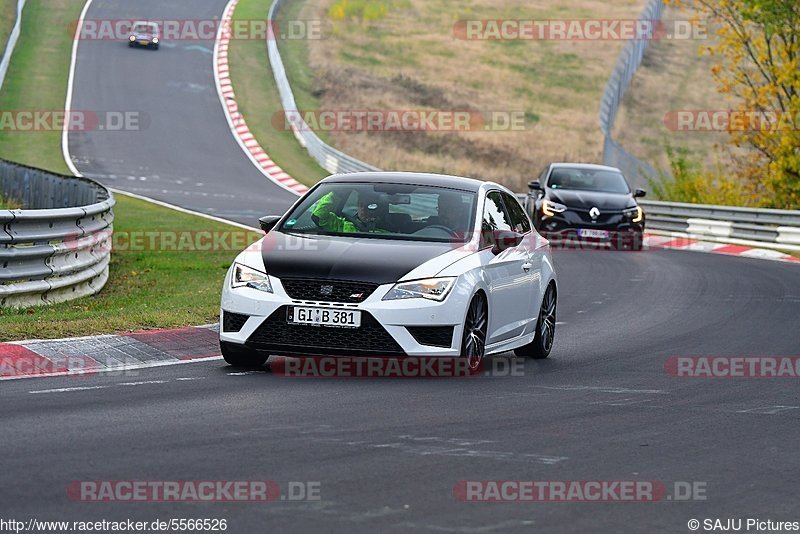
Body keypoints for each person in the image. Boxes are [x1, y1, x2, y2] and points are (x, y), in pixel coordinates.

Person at [311, 190, 388, 233]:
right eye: (361, 205)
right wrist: (336, 194)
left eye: (370, 206)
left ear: (378, 209)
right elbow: (318, 216)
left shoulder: (389, 232)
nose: (364, 209)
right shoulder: (343, 224)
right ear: (357, 206)